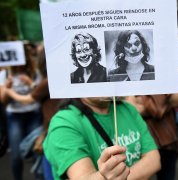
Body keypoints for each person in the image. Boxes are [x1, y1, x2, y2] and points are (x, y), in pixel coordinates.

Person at [43, 97, 161, 180]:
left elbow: (154, 161)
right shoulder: (64, 123)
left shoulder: (128, 109)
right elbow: (82, 177)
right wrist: (103, 177)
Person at [4, 47, 60, 180]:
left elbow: (28, 99)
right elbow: (40, 91)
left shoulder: (47, 80)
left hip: (51, 129)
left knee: (48, 168)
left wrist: (8, 91)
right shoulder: (55, 79)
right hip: (52, 126)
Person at [126, 84, 178, 180]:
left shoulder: (164, 76)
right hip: (142, 145)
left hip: (168, 142)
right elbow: (134, 108)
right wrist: (167, 102)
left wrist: (148, 105)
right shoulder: (127, 84)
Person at [1, 43, 43, 180]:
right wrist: (7, 89)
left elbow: (38, 95)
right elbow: (3, 101)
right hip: (14, 116)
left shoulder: (35, 72)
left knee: (38, 150)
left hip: (33, 115)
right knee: (16, 154)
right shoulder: (5, 74)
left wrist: (30, 83)